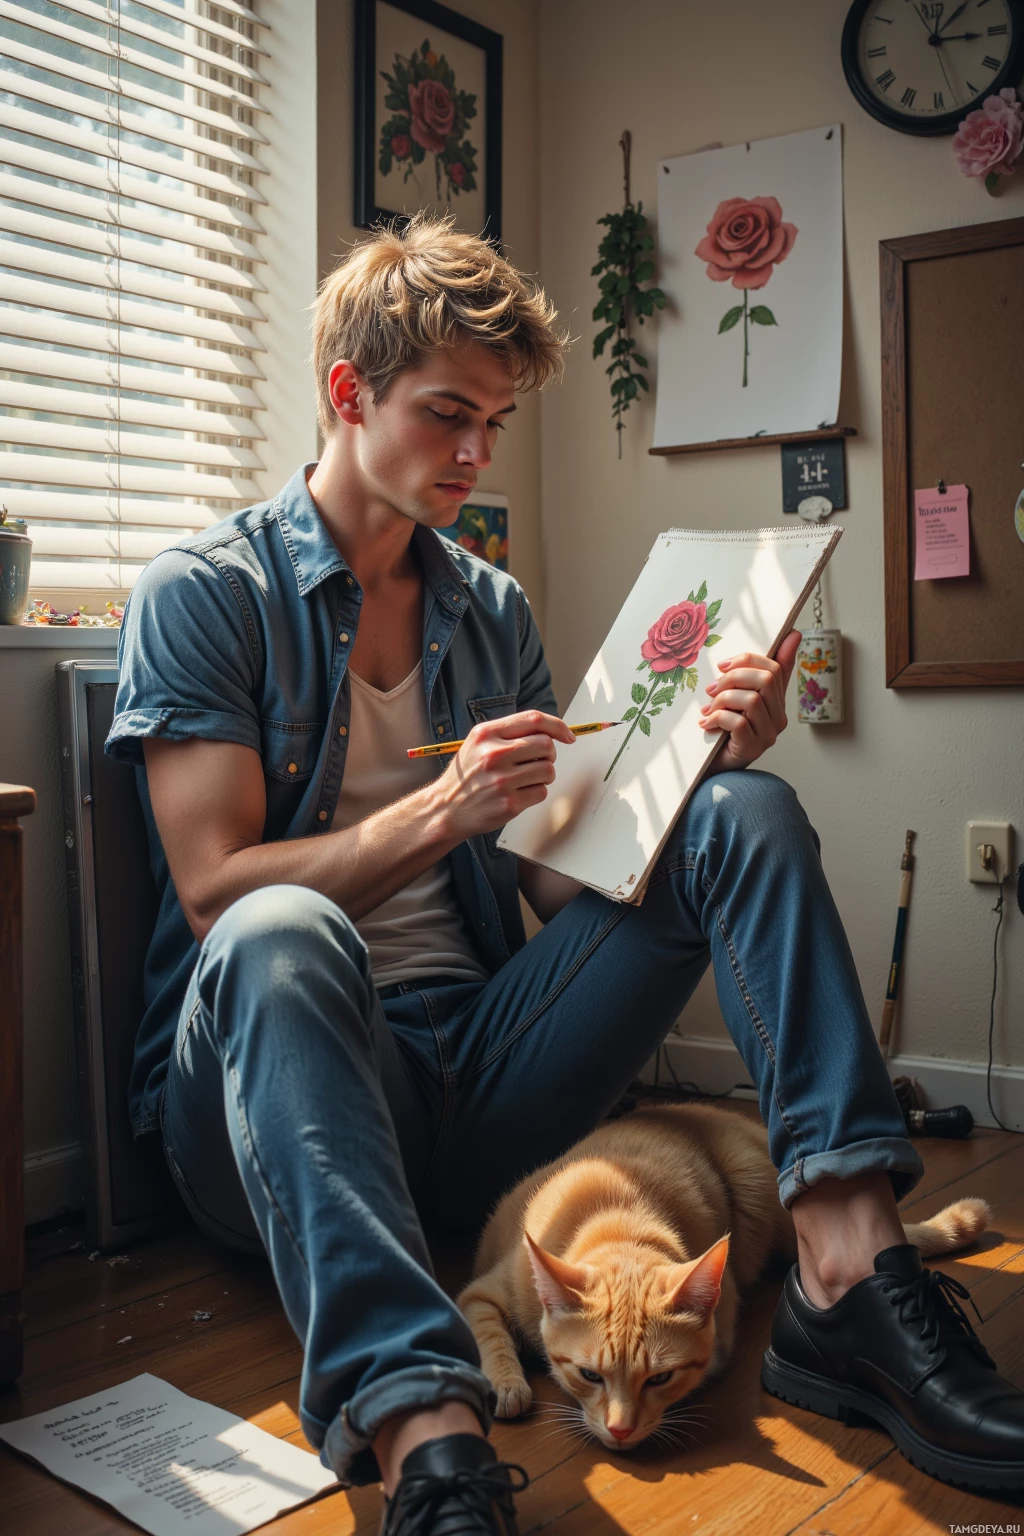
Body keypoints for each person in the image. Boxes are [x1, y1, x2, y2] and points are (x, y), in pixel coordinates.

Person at [107, 215, 1024, 1535]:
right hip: (279, 1101)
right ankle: (429, 1434)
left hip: (479, 1083)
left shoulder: (493, 609)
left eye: (496, 424)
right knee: (278, 930)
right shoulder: (206, 593)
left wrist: (705, 760)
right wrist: (443, 809)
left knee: (746, 814)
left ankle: (849, 1270)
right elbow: (211, 895)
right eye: (448, 416)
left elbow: (554, 894)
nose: (477, 457)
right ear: (347, 394)